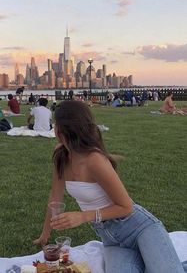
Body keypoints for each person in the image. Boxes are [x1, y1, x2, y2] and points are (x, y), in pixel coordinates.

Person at [33, 100, 186, 273]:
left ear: (59, 131)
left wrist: (83, 217)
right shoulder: (61, 155)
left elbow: (126, 206)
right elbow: (55, 197)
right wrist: (45, 234)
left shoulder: (94, 160)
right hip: (113, 240)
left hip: (140, 228)